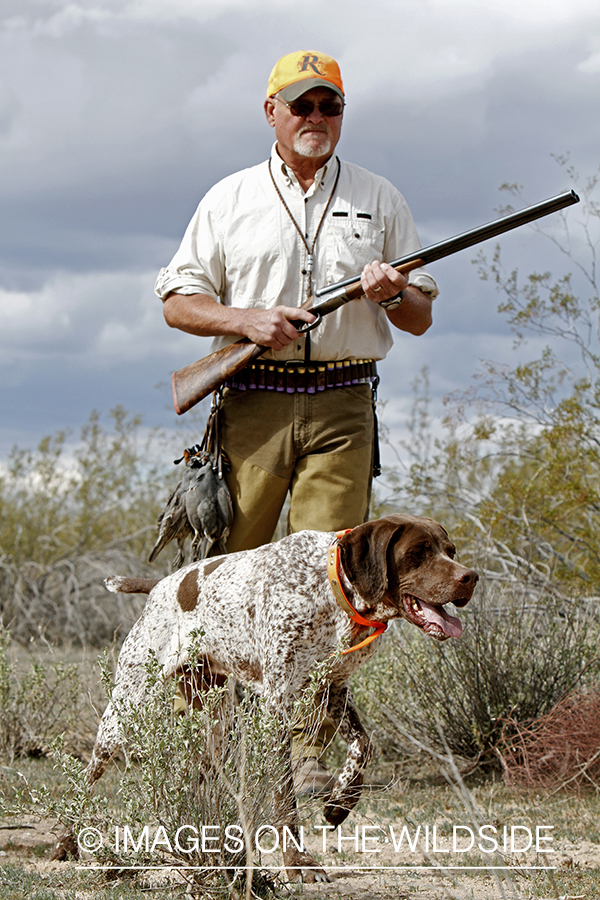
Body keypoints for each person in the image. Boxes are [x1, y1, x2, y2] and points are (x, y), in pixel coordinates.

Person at [155, 50, 438, 787]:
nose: (316, 119)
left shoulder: (382, 197)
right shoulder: (229, 197)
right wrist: (244, 321)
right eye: (302, 106)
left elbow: (420, 317)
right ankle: (207, 752)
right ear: (271, 112)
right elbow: (178, 302)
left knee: (331, 573)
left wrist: (387, 293)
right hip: (252, 400)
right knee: (225, 577)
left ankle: (309, 751)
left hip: (345, 401)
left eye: (330, 106)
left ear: (343, 113)